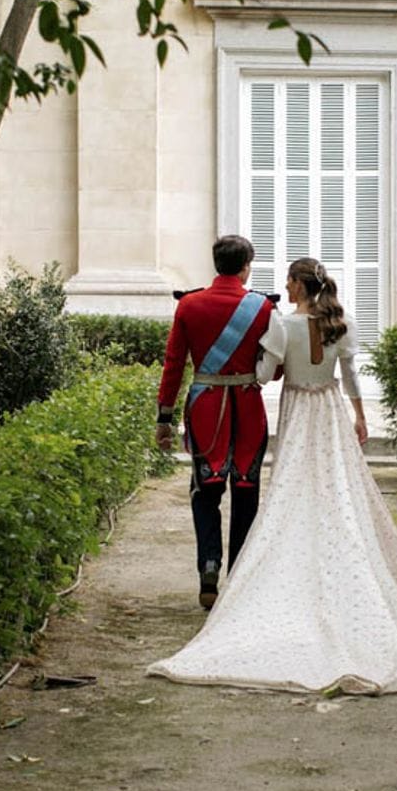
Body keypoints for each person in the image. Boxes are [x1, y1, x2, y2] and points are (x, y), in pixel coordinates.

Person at [148, 257, 397, 695]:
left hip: (293, 409)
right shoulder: (339, 323)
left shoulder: (279, 324)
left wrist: (248, 373)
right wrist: (360, 417)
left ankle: (223, 572)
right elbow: (350, 375)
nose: (284, 286)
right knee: (336, 491)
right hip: (329, 410)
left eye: (289, 281)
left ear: (297, 284)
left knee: (288, 490)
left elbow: (262, 375)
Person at [156, 235, 285, 610]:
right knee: (246, 492)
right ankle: (239, 578)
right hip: (247, 409)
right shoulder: (261, 307)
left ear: (216, 264)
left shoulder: (190, 304)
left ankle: (208, 570)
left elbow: (174, 365)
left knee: (205, 492)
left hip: (205, 411)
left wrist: (164, 417)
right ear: (247, 266)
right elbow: (273, 370)